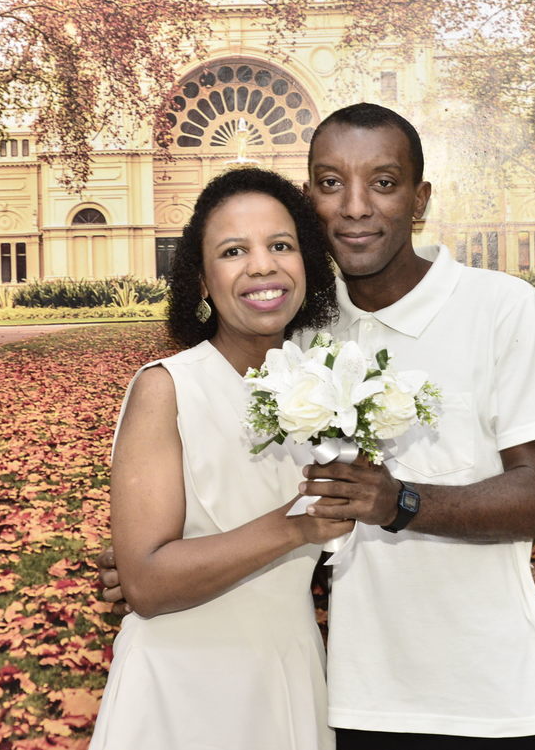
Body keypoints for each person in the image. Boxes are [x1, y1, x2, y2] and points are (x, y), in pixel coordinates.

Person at [101, 104, 535, 749]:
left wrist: (401, 502)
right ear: (311, 201)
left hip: (493, 698)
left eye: (383, 183)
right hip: (354, 701)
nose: (356, 207)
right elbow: (261, 492)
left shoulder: (503, 308)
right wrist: (157, 565)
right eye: (332, 184)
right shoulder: (301, 338)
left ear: (420, 199)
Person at [88, 168, 347, 750]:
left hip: (290, 673)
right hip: (181, 687)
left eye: (280, 245)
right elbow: (147, 584)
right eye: (234, 251)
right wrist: (299, 524)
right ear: (202, 280)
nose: (262, 266)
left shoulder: (329, 389)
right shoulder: (167, 388)